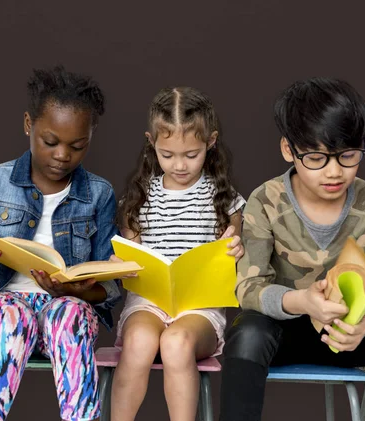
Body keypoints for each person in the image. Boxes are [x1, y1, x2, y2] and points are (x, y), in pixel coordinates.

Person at [219, 77, 365, 421]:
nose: (334, 171)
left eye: (348, 156)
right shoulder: (266, 200)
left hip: (353, 334)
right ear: (289, 150)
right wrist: (302, 302)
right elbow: (249, 288)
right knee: (247, 332)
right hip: (286, 330)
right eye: (316, 157)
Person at [0, 65, 121, 421]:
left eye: (78, 146)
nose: (63, 155)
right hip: (2, 313)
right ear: (29, 124)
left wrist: (76, 292)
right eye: (51, 142)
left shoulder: (100, 195)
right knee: (15, 314)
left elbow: (110, 286)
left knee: (68, 313)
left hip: (67, 314)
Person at [111, 87, 245, 421]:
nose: (180, 165)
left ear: (210, 143)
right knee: (140, 341)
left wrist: (237, 249)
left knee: (176, 342)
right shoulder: (137, 199)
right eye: (167, 155)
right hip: (147, 304)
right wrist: (122, 265)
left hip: (199, 310)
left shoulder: (224, 199)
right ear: (151, 143)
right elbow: (133, 259)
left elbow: (235, 255)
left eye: (191, 154)